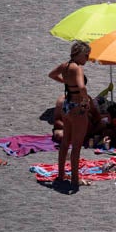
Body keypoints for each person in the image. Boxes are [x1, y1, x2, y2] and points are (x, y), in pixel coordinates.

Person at [48, 40, 91, 190]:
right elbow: (82, 87)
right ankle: (74, 179)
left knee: (65, 141)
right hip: (77, 107)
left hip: (66, 106)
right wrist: (85, 101)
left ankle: (61, 174)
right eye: (87, 55)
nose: (88, 58)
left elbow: (52, 74)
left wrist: (65, 82)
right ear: (80, 55)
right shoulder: (77, 68)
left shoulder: (65, 66)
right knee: (77, 146)